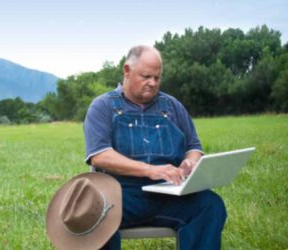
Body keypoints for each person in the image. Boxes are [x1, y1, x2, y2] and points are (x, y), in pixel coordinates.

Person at [83, 45, 227, 250]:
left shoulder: (172, 106)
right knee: (94, 213)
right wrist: (149, 170)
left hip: (168, 194)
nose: (152, 83)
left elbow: (194, 146)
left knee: (210, 205)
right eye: (146, 76)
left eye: (157, 78)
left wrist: (191, 161)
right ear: (127, 70)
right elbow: (100, 156)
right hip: (121, 196)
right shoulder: (103, 106)